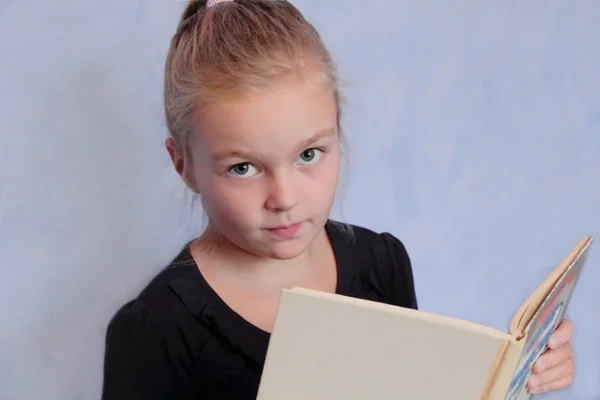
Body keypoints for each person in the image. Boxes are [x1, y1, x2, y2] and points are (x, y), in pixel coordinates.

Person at [101, 0, 576, 398]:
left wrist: (523, 375)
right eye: (243, 168)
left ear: (338, 130)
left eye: (309, 154)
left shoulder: (381, 263)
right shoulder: (154, 331)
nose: (284, 198)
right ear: (184, 164)